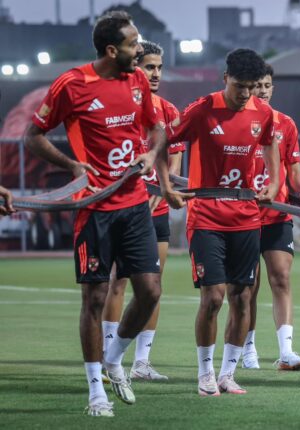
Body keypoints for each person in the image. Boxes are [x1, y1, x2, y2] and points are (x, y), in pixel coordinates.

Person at [24, 11, 166, 416]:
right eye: (133, 44)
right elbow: (32, 136)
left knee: (150, 292)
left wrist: (150, 154)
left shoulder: (137, 81)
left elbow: (157, 128)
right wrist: (71, 165)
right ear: (111, 50)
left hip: (135, 203)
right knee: (96, 297)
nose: (139, 49)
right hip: (94, 207)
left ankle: (114, 358)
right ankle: (95, 393)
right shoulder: (72, 84)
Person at [159, 48, 280, 396]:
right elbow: (163, 141)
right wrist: (166, 185)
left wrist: (273, 183)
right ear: (225, 78)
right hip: (206, 216)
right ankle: (205, 373)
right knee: (213, 298)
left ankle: (228, 374)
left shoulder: (263, 113)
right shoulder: (202, 109)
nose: (246, 94)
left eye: (252, 87)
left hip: (246, 217)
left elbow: (270, 145)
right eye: (240, 86)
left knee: (242, 298)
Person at [101, 40, 185, 381]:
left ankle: (141, 362)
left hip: (156, 209)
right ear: (134, 68)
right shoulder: (121, 105)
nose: (156, 73)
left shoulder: (169, 110)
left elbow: (174, 156)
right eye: (149, 66)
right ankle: (109, 358)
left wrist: (164, 190)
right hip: (123, 206)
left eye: (159, 67)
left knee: (153, 284)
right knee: (117, 282)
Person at [242, 64, 300, 371]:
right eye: (257, 85)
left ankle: (286, 352)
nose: (263, 90)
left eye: (267, 85)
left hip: (277, 215)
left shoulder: (286, 124)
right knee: (248, 286)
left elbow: (294, 169)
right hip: (243, 216)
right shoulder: (238, 121)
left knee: (281, 277)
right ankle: (247, 348)